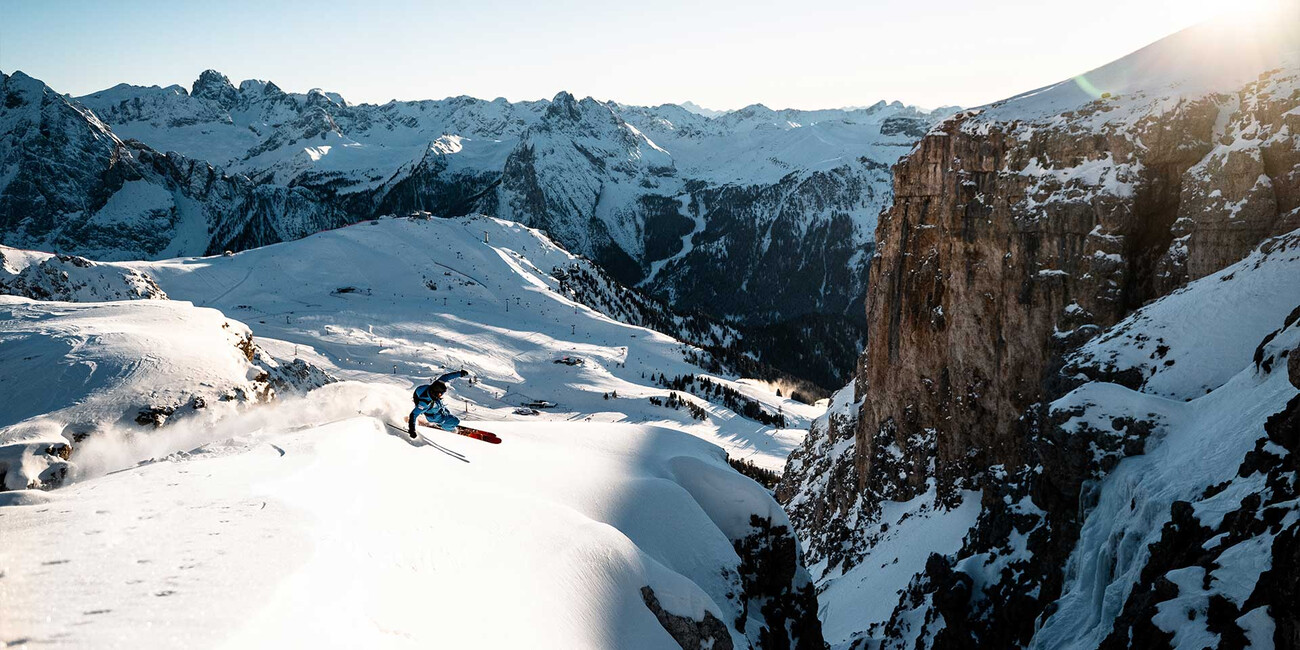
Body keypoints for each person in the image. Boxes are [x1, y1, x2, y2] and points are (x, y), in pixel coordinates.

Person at [409, 370, 470, 438]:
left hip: (437, 408)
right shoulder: (424, 403)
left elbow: (446, 377)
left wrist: (460, 373)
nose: (441, 395)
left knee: (447, 413)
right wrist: (412, 430)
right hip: (433, 416)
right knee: (456, 421)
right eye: (440, 394)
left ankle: (446, 422)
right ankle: (445, 426)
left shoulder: (436, 386)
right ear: (435, 393)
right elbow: (413, 415)